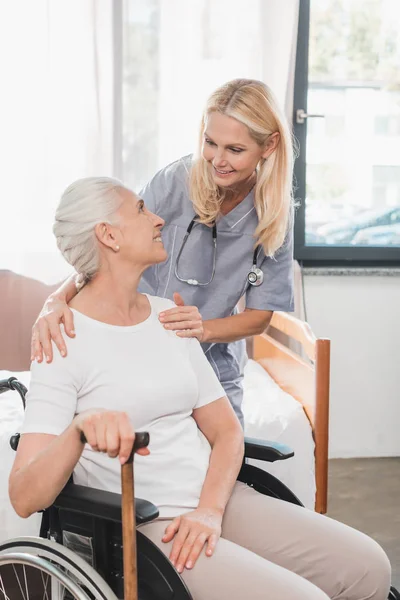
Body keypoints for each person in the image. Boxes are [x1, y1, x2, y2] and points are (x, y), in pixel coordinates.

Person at [10, 178, 391, 600]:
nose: (158, 218)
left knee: (369, 566)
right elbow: (25, 497)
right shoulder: (61, 341)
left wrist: (210, 510)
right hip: (150, 525)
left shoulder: (169, 317)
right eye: (140, 210)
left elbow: (226, 432)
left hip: (219, 499)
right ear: (108, 235)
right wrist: (78, 430)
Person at [31, 78, 296, 427]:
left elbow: (260, 315)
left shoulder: (273, 211)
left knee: (227, 450)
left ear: (269, 144)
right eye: (210, 142)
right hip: (141, 342)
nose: (217, 160)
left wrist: (202, 329)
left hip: (211, 357)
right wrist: (57, 299)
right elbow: (111, 244)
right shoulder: (176, 180)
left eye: (235, 149)